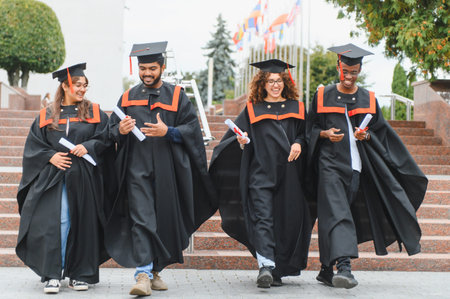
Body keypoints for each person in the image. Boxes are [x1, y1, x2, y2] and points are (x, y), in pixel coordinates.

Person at [306, 44, 428, 289]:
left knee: (337, 215)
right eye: (345, 72)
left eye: (354, 72)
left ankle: (324, 270)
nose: (349, 77)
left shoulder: (368, 99)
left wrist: (367, 136)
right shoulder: (322, 95)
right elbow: (309, 129)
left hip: (357, 168)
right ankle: (344, 268)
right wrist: (324, 134)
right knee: (339, 213)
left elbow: (380, 132)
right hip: (329, 165)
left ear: (359, 69)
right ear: (338, 66)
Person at [106, 41, 216, 296]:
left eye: (152, 68)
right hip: (137, 169)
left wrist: (169, 131)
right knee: (142, 218)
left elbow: (192, 131)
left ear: (162, 68)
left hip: (169, 170)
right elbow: (110, 131)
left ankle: (156, 270)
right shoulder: (127, 97)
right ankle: (142, 274)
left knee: (165, 220)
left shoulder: (177, 96)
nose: (146, 73)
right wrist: (119, 130)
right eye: (143, 68)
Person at [209, 59, 312, 288]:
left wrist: (298, 143)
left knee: (285, 220)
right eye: (270, 81)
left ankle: (277, 269)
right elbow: (237, 138)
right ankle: (265, 266)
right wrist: (243, 141)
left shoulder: (297, 108)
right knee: (263, 218)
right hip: (260, 173)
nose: (275, 85)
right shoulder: (252, 109)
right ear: (262, 84)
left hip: (289, 175)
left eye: (279, 80)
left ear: (285, 82)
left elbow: (305, 135)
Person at [16, 63, 112, 294]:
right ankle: (52, 274)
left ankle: (80, 275)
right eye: (78, 85)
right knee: (55, 223)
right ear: (65, 86)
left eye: (85, 86)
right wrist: (50, 157)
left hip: (84, 178)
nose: (82, 89)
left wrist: (88, 146)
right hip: (54, 179)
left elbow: (107, 139)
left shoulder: (95, 113)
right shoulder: (46, 115)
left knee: (83, 222)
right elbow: (33, 147)